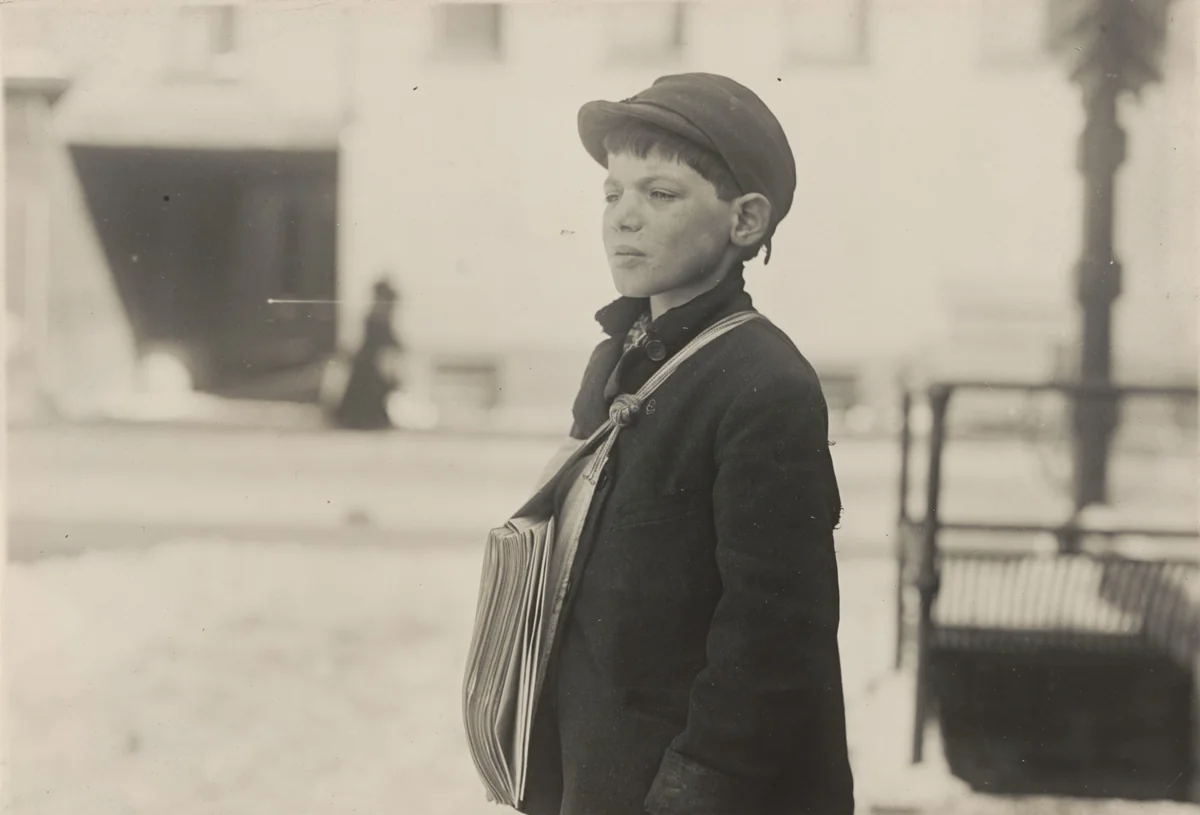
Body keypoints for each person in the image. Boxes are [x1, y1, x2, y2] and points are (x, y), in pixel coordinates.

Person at [521, 74, 854, 815]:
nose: (623, 219)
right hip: (595, 766)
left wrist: (690, 791)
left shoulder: (762, 383)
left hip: (691, 787)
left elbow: (774, 635)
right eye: (613, 194)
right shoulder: (622, 355)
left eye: (660, 195)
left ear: (745, 221)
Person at [334, 278, 402, 430]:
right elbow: (384, 338)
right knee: (368, 391)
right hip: (371, 361)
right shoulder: (378, 316)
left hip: (369, 360)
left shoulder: (376, 314)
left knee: (368, 392)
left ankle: (362, 420)